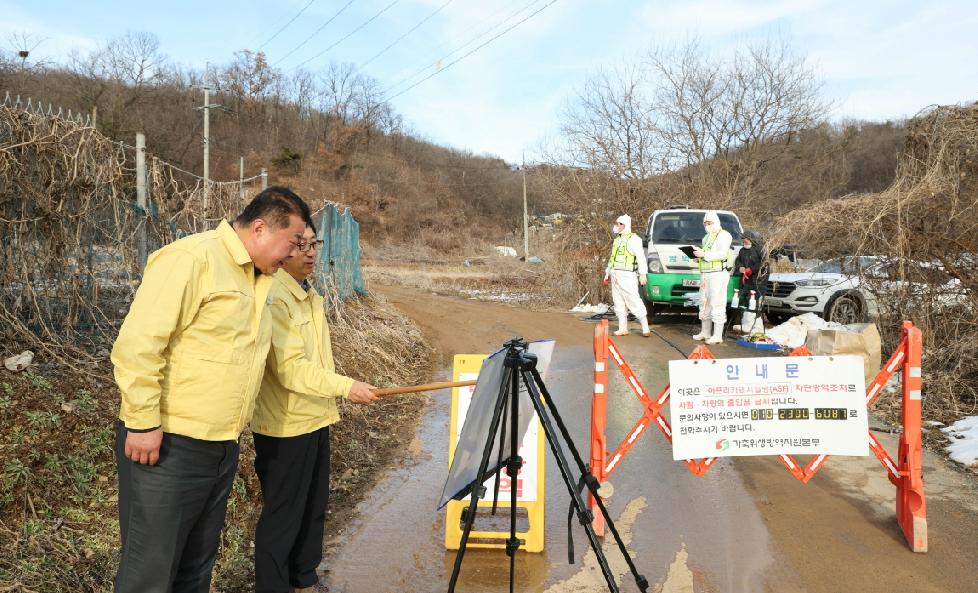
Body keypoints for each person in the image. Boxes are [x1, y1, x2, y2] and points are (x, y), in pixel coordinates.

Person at [111, 187, 312, 593]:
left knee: (195, 568)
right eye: (291, 242)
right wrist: (143, 421)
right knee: (150, 572)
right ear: (259, 228)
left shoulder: (259, 279)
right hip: (168, 444)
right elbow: (139, 346)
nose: (293, 254)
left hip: (220, 446)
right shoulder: (193, 259)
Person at [250, 224, 378, 593]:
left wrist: (336, 391)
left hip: (315, 417)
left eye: (313, 244)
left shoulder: (309, 294)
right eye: (299, 245)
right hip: (284, 426)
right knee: (283, 515)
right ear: (280, 247)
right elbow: (289, 369)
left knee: (314, 507)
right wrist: (345, 386)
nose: (309, 253)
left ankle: (303, 578)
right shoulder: (274, 296)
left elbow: (316, 363)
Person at [603, 214, 650, 337]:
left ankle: (645, 327)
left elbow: (641, 258)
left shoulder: (634, 240)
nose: (617, 226)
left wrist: (643, 274)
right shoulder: (617, 240)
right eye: (617, 224)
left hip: (627, 275)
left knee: (634, 300)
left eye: (619, 224)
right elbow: (612, 258)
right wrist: (607, 273)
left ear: (626, 225)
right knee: (618, 302)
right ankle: (622, 328)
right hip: (615, 274)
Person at [692, 211, 733, 344]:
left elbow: (721, 254)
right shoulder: (706, 237)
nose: (706, 225)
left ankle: (717, 335)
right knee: (704, 303)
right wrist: (698, 258)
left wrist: (703, 254)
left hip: (717, 274)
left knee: (717, 303)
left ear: (715, 222)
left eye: (709, 223)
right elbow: (706, 255)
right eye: (705, 223)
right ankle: (705, 332)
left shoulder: (724, 235)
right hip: (705, 274)